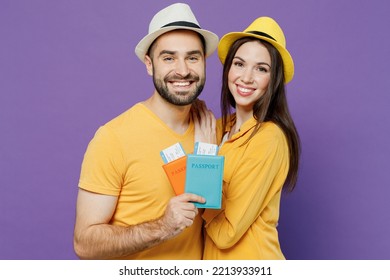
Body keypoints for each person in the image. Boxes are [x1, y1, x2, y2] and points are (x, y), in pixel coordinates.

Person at [73, 3, 218, 260]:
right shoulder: (113, 138)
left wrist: (206, 156)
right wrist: (163, 226)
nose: (183, 70)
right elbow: (85, 244)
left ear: (204, 62)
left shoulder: (210, 131)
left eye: (192, 57)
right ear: (150, 64)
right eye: (169, 57)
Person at [198, 16, 301, 259]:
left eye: (261, 69)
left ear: (273, 80)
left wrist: (202, 158)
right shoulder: (219, 128)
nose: (246, 77)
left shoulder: (269, 137)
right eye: (240, 64)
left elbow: (227, 234)